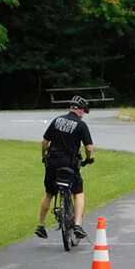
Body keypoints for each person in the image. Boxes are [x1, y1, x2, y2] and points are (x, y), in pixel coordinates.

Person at [37, 95, 94, 240]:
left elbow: (44, 142)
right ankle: (77, 224)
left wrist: (44, 155)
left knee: (49, 193)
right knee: (78, 193)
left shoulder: (57, 120)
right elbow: (88, 147)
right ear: (81, 111)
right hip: (70, 163)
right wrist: (89, 159)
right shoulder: (81, 125)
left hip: (53, 162)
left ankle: (41, 226)